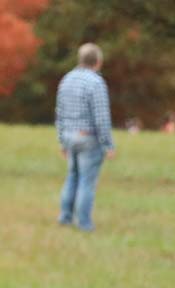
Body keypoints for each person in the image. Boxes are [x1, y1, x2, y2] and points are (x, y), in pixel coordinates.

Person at [55, 42, 115, 232]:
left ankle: (65, 216)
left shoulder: (66, 79)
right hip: (88, 137)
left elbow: (59, 112)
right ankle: (84, 223)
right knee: (87, 181)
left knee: (72, 176)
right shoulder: (96, 83)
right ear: (98, 62)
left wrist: (62, 140)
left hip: (69, 135)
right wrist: (108, 144)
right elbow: (101, 117)